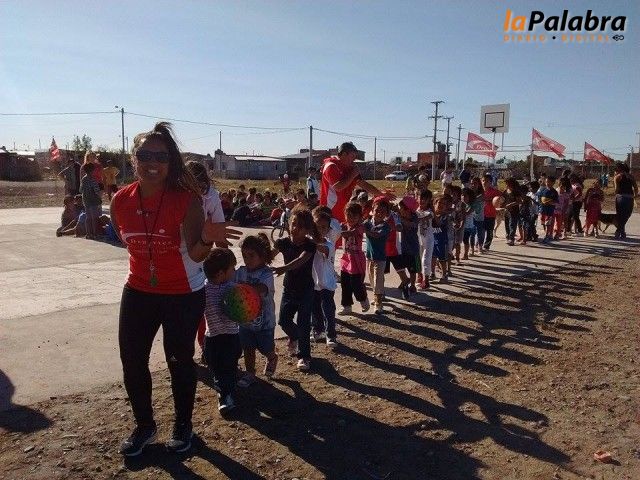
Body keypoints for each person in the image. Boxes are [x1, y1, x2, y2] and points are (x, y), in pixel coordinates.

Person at [110, 122, 240, 457]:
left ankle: (183, 424)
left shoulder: (186, 200)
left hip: (182, 293)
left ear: (171, 162)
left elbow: (196, 255)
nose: (152, 162)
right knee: (131, 360)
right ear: (133, 158)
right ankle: (144, 426)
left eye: (161, 156)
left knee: (179, 360)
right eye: (144, 155)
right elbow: (127, 241)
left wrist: (208, 237)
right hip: (138, 289)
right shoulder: (120, 200)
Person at [272, 206, 317, 371]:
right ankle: (295, 336)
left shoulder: (310, 246)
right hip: (289, 289)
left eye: (300, 226)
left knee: (304, 323)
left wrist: (283, 268)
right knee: (283, 321)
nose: (295, 228)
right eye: (293, 223)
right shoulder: (283, 243)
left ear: (307, 230)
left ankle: (304, 356)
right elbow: (269, 256)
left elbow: (301, 260)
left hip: (306, 290)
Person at [235, 234, 278, 387]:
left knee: (265, 347)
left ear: (262, 256)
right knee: (247, 348)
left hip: (264, 322)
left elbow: (262, 288)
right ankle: (250, 373)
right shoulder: (241, 271)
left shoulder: (266, 273)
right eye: (244, 255)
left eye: (251, 255)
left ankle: (272, 357)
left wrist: (244, 288)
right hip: (245, 321)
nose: (247, 259)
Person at [202, 248, 241, 413]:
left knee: (229, 366)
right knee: (216, 368)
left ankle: (226, 394)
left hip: (231, 337)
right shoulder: (203, 289)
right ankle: (224, 393)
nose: (234, 271)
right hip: (213, 337)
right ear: (220, 273)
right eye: (232, 268)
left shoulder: (234, 288)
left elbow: (244, 310)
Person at [320, 142, 383, 223]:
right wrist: (353, 174)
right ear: (344, 154)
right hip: (329, 213)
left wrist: (381, 194)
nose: (354, 159)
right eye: (352, 156)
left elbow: (363, 184)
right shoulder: (331, 166)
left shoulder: (350, 167)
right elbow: (338, 187)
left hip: (342, 212)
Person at [310, 211, 338, 347]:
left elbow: (322, 249)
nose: (320, 230)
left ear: (328, 229)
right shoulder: (308, 241)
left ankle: (331, 335)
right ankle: (317, 330)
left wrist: (308, 243)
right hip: (313, 283)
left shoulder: (329, 245)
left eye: (323, 227)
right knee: (315, 308)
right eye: (317, 226)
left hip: (327, 284)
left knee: (328, 310)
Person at [339, 202, 370, 314]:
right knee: (345, 283)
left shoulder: (360, 228)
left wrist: (338, 231)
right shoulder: (344, 225)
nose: (351, 218)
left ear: (360, 217)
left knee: (356, 283)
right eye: (348, 215)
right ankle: (346, 306)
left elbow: (349, 233)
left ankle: (363, 299)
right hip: (346, 258)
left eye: (354, 216)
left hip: (356, 260)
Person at [364, 197, 391, 314]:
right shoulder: (367, 223)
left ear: (386, 213)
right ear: (372, 210)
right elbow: (358, 224)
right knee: (371, 280)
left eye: (383, 211)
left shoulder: (386, 226)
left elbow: (376, 235)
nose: (379, 213)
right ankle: (377, 296)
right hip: (369, 256)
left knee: (378, 280)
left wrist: (364, 230)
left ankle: (378, 303)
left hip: (380, 258)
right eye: (377, 210)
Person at [398, 196, 420, 293]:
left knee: (413, 269)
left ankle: (413, 285)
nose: (400, 210)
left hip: (413, 248)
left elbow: (411, 225)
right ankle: (405, 280)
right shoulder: (401, 217)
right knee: (401, 266)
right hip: (403, 247)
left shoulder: (415, 217)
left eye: (401, 208)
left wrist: (400, 218)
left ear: (408, 210)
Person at [613, 162, 638, 239]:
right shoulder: (631, 176)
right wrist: (635, 196)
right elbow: (636, 187)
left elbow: (616, 189)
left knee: (620, 215)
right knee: (627, 215)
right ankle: (622, 232)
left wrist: (615, 193)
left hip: (620, 197)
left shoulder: (617, 177)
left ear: (618, 169)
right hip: (630, 197)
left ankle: (619, 230)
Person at [416, 190, 434, 289]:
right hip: (418, 238)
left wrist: (416, 219)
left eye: (425, 199)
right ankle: (419, 276)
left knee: (426, 259)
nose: (422, 200)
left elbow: (428, 217)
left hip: (428, 239)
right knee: (418, 258)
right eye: (420, 198)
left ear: (429, 200)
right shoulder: (416, 210)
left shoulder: (430, 211)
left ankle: (426, 280)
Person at [79, 163, 102, 240]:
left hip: (85, 200)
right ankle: (95, 233)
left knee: (88, 218)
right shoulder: (92, 180)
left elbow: (80, 190)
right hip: (93, 200)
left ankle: (88, 233)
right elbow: (97, 191)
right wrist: (99, 197)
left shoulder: (83, 179)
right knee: (94, 218)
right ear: (92, 170)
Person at [537, 176, 559, 244]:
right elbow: (539, 197)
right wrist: (540, 203)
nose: (547, 183)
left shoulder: (554, 192)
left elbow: (556, 201)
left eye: (549, 182)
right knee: (543, 222)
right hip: (542, 210)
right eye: (546, 182)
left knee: (548, 223)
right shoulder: (543, 190)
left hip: (549, 210)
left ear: (553, 183)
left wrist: (549, 202)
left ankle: (547, 235)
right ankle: (546, 233)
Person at [481, 174, 500, 250]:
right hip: (481, 215)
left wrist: (499, 201)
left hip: (491, 214)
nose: (484, 182)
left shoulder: (494, 191)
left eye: (487, 181)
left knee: (489, 231)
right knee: (480, 231)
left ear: (490, 182)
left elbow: (502, 198)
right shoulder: (479, 191)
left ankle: (486, 245)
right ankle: (479, 245)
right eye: (483, 180)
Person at [502, 178, 522, 246]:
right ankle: (508, 237)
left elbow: (519, 201)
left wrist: (511, 204)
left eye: (507, 183)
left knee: (512, 225)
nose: (506, 184)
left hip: (514, 211)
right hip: (507, 211)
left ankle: (511, 239)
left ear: (511, 183)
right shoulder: (505, 191)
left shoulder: (516, 191)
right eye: (506, 183)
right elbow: (503, 200)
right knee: (507, 224)